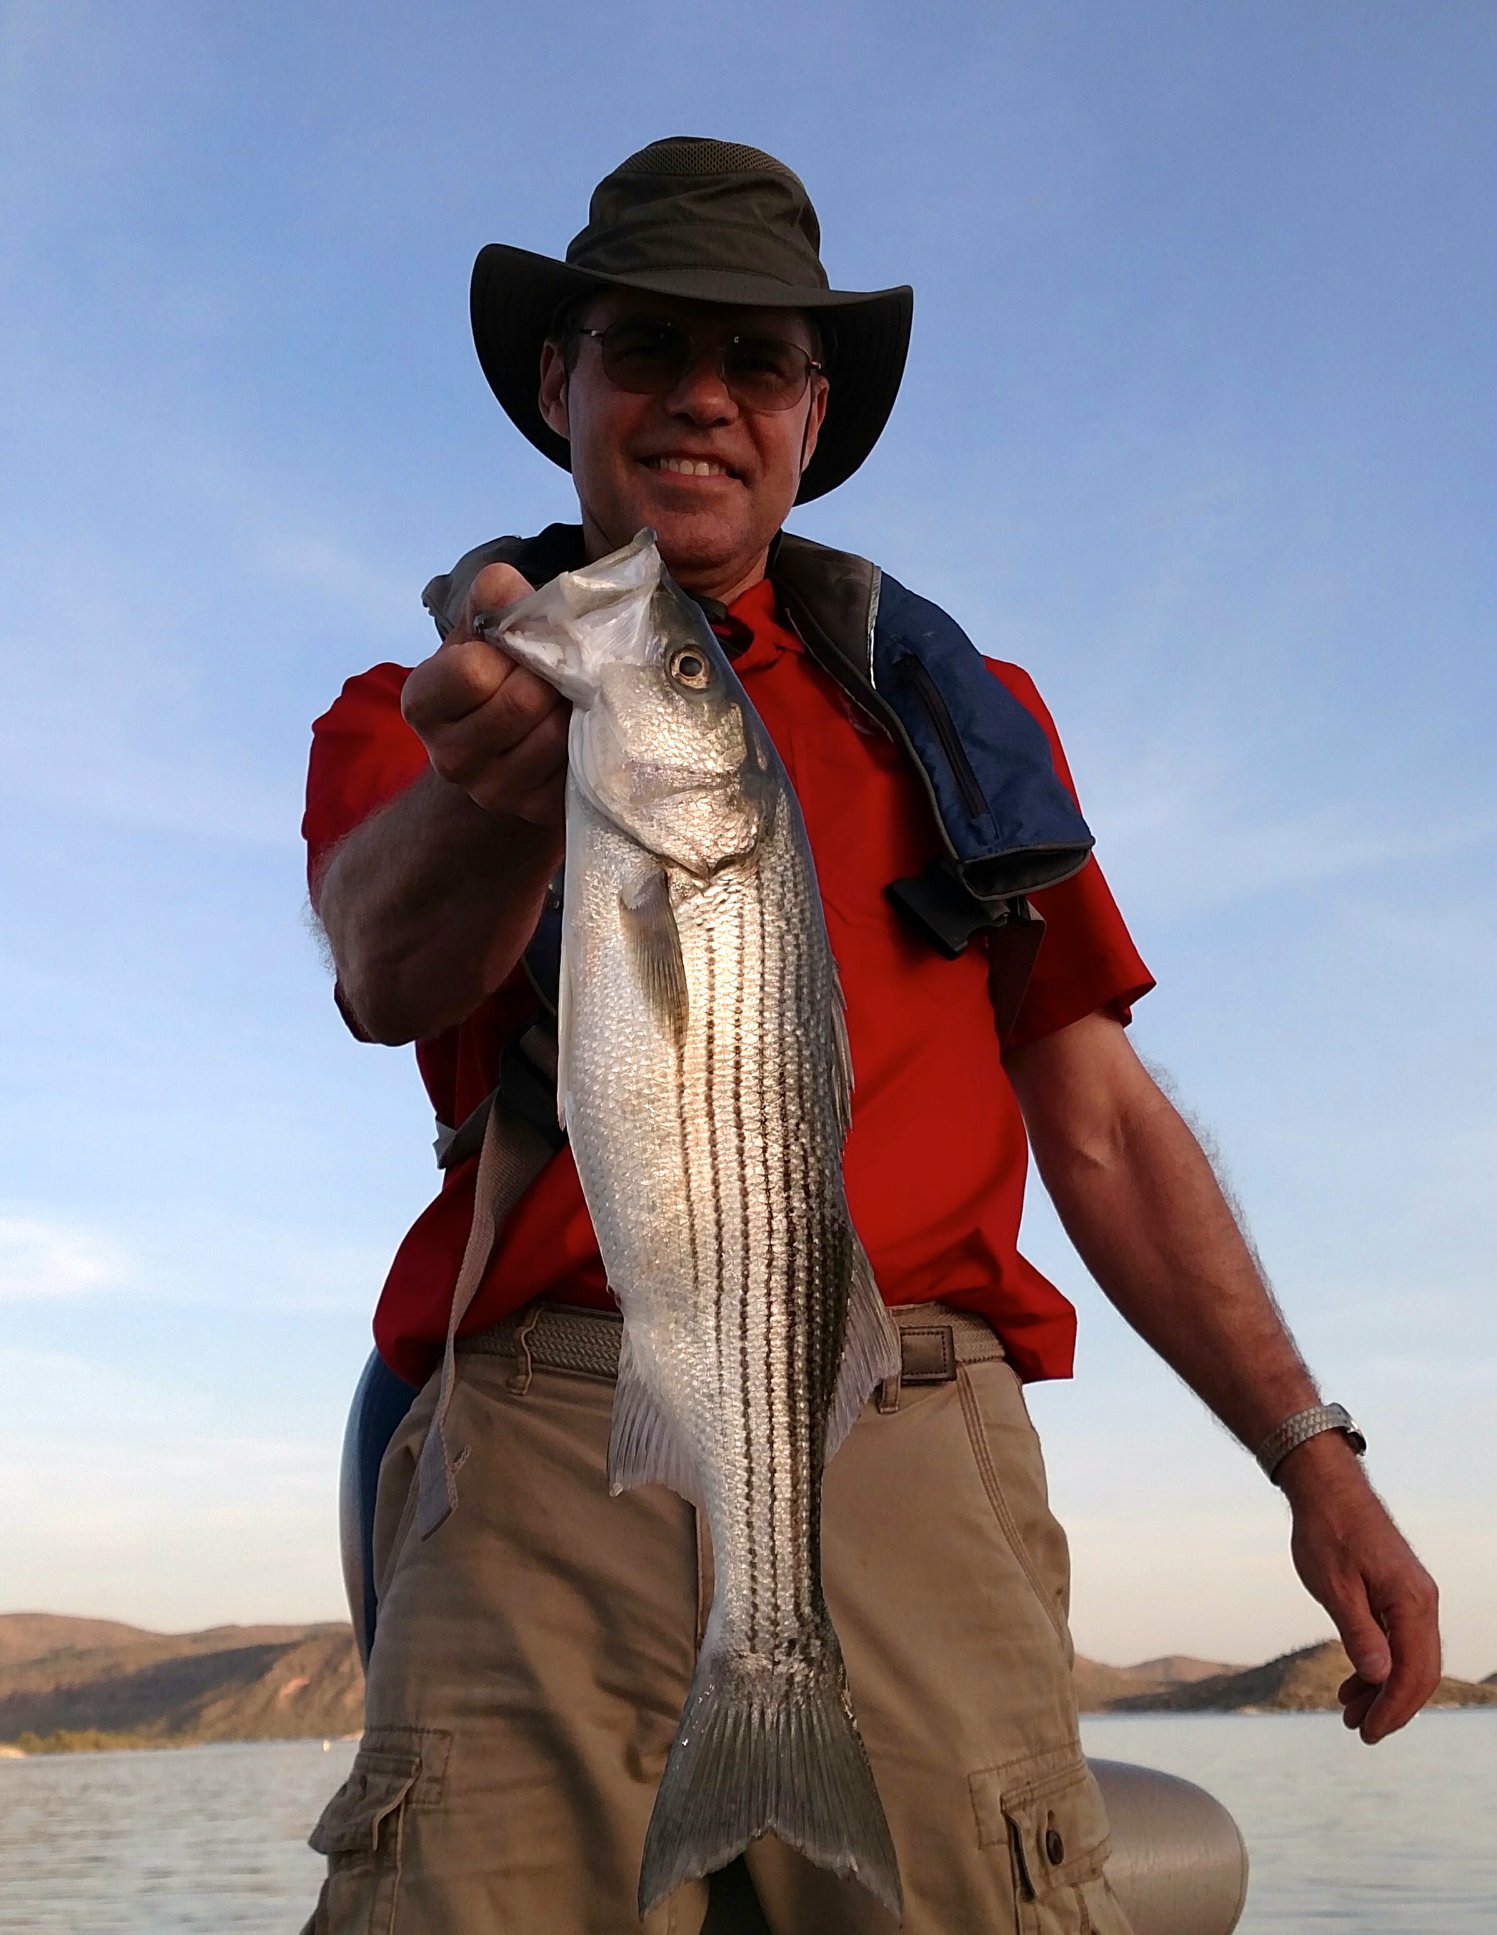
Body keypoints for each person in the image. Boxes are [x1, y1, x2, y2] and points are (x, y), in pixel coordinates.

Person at [300, 137, 1441, 1935]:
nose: (701, 398)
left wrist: (1312, 1453)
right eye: (645, 348)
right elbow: (383, 971)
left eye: (756, 361)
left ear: (809, 417)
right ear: (559, 385)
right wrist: (494, 797)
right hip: (537, 1454)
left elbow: (1100, 1122)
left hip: (907, 1424)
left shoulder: (962, 720)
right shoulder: (433, 706)